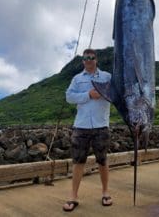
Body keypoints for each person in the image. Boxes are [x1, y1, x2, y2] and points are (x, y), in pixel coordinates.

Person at [63, 48, 113, 212]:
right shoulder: (77, 79)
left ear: (96, 59)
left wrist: (105, 93)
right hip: (81, 125)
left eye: (92, 57)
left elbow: (115, 93)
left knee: (102, 160)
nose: (89, 60)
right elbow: (69, 97)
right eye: (86, 58)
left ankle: (105, 192)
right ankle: (73, 196)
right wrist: (88, 95)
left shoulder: (107, 76)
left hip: (101, 125)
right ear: (83, 61)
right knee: (78, 162)